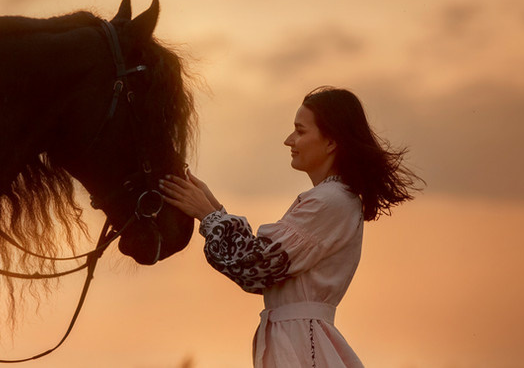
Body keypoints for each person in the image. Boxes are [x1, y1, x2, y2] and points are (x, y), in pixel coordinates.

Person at [159, 86, 422, 368]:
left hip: (300, 348)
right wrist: (214, 210)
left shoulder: (330, 201)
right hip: (294, 340)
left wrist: (208, 215)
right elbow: (265, 263)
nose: (289, 140)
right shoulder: (333, 199)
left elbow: (254, 267)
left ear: (331, 142)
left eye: (300, 131)